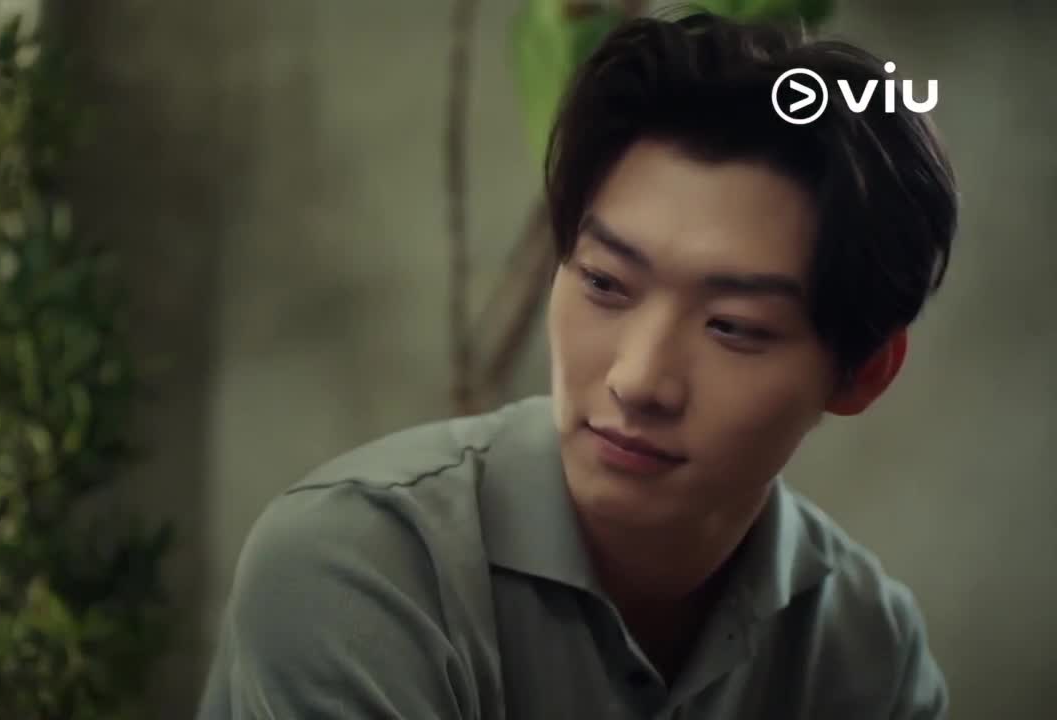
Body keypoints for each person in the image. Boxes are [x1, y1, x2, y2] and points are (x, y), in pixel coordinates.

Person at [199, 9, 957, 720]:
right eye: (604, 283)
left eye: (733, 327)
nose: (638, 380)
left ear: (864, 371)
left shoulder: (869, 648)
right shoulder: (361, 567)